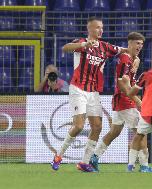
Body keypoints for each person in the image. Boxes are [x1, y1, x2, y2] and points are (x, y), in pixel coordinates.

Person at [51, 16, 129, 172]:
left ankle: (84, 163)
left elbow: (124, 50)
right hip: (78, 89)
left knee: (97, 126)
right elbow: (65, 47)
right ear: (89, 29)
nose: (100, 30)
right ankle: (58, 156)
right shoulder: (81, 42)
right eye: (97, 27)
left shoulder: (105, 47)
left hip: (94, 92)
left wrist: (133, 57)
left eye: (102, 27)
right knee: (79, 126)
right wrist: (84, 44)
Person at [89, 32, 152, 172]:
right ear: (129, 43)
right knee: (141, 131)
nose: (140, 46)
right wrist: (136, 99)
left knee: (114, 132)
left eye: (142, 44)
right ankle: (144, 166)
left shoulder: (132, 59)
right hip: (125, 101)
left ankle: (94, 158)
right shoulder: (125, 60)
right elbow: (121, 84)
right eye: (137, 43)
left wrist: (136, 61)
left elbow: (127, 80)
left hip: (120, 101)